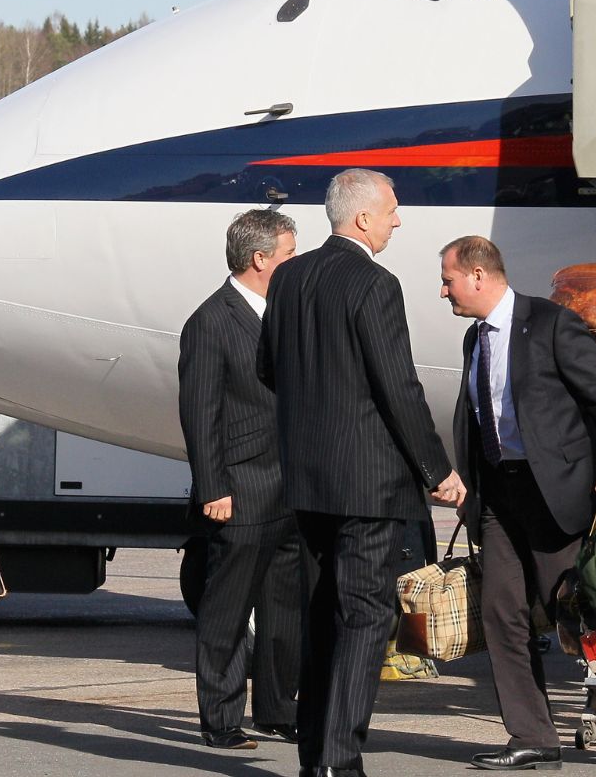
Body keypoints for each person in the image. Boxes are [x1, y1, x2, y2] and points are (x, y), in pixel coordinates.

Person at [437, 235, 596, 772]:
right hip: (500, 497)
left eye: (448, 279)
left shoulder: (550, 324)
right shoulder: (475, 340)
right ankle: (533, 737)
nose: (443, 289)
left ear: (478, 275)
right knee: (501, 614)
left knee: (579, 619)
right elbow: (478, 422)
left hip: (555, 495)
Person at [258, 169, 464, 777]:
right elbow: (396, 385)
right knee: (368, 614)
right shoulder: (376, 283)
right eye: (393, 211)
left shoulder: (290, 276)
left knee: (324, 614)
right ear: (363, 219)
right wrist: (436, 468)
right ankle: (338, 761)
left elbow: (270, 367)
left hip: (308, 477)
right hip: (367, 481)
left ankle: (314, 753)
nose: (399, 221)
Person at [179, 209, 305, 751]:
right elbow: (199, 413)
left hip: (292, 487)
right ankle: (222, 717)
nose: (295, 265)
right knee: (228, 610)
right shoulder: (211, 321)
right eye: (289, 256)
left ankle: (277, 709)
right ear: (260, 260)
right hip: (240, 489)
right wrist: (214, 489)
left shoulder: (285, 312)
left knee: (284, 610)